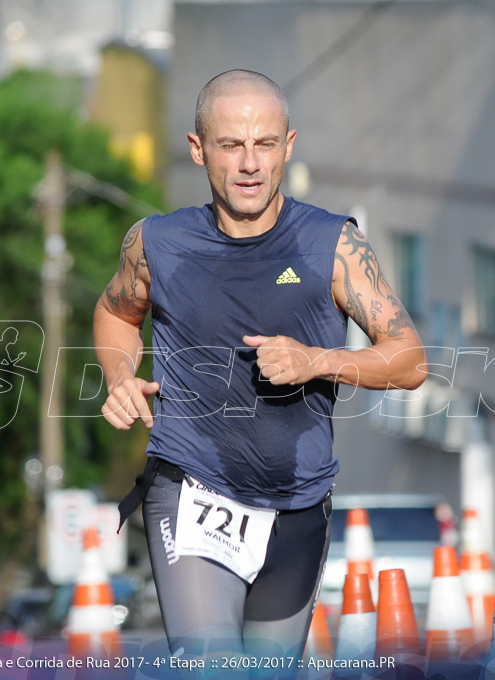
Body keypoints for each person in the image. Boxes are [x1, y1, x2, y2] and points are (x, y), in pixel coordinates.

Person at [93, 69, 427, 660]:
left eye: (265, 144)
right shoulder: (157, 243)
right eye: (231, 145)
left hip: (297, 503)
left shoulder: (333, 244)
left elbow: (408, 361)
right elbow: (116, 314)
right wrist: (120, 377)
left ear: (288, 146)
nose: (250, 163)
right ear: (198, 150)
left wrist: (316, 360)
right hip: (191, 489)